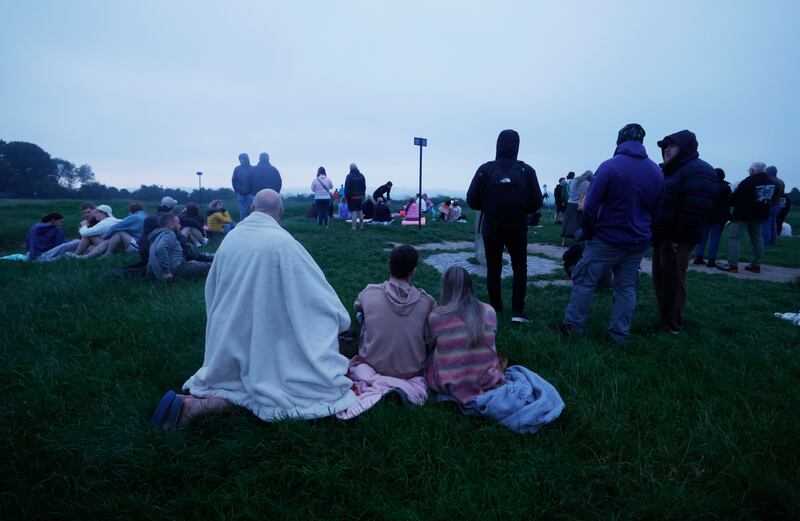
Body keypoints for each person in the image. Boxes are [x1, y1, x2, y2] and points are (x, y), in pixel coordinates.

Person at [151, 189, 357, 429]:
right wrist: (339, 318)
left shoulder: (231, 239)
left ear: (252, 208)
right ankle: (198, 407)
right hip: (268, 335)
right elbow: (315, 293)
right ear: (281, 212)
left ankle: (197, 405)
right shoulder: (285, 244)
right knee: (276, 379)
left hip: (230, 334)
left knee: (239, 380)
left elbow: (213, 288)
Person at [426, 267, 564, 434]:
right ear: (470, 287)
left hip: (449, 383)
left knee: (432, 357)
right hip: (487, 381)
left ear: (444, 289)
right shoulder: (489, 311)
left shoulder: (435, 317)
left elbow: (432, 345)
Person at [558, 124, 663, 343]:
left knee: (584, 281)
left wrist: (589, 230)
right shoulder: (656, 171)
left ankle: (573, 327)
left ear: (620, 140)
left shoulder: (609, 167)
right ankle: (620, 334)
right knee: (626, 288)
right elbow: (658, 210)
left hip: (606, 239)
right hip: (637, 242)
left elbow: (590, 205)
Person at [466, 129, 542, 323]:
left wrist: (488, 207)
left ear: (498, 145)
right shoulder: (526, 170)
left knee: (494, 267)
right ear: (517, 146)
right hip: (518, 227)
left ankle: (495, 308)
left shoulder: (486, 169)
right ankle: (518, 311)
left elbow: (472, 200)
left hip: (492, 227)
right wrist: (522, 210)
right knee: (519, 267)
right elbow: (537, 201)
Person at [651, 130, 716, 334]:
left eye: (672, 145)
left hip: (677, 238)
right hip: (663, 235)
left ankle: (673, 325)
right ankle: (665, 320)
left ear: (685, 147)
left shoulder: (699, 170)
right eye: (664, 146)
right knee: (661, 279)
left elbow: (696, 208)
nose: (666, 150)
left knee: (673, 281)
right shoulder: (671, 171)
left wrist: (679, 238)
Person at [353, 245, 435, 378]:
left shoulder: (369, 292)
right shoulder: (427, 302)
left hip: (372, 364)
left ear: (389, 264)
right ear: (413, 271)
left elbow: (357, 307)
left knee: (362, 313)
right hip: (411, 370)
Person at [719, 162, 777, 273]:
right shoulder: (770, 182)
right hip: (760, 215)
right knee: (757, 239)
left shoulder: (748, 181)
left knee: (734, 238)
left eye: (749, 170)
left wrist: (727, 201)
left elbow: (735, 198)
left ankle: (732, 265)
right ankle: (756, 264)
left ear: (752, 170)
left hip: (742, 215)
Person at [146, 213, 211, 282]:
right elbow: (160, 249)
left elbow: (151, 258)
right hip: (177, 270)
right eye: (178, 223)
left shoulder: (156, 237)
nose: (180, 225)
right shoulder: (169, 234)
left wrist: (150, 273)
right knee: (210, 266)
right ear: (171, 224)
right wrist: (167, 272)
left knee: (195, 263)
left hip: (165, 273)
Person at [693, 168, 731, 268]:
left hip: (706, 214)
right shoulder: (726, 187)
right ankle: (711, 260)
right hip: (719, 216)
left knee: (703, 237)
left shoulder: (707, 185)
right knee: (715, 238)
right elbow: (728, 202)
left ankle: (698, 257)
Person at [82, 202, 148, 258]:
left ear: (130, 212)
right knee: (101, 244)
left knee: (119, 233)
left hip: (138, 246)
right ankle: (85, 256)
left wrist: (106, 236)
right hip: (145, 245)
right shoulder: (146, 216)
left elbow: (116, 227)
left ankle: (108, 253)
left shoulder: (134, 217)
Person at [560, 170, 592, 245]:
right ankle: (576, 241)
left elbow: (568, 191)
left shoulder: (571, 181)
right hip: (579, 205)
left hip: (570, 203)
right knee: (577, 223)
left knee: (567, 221)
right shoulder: (588, 184)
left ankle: (563, 241)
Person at [762, 166, 784, 246]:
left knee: (766, 225)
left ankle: (766, 242)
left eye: (766, 170)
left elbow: (766, 194)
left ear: (769, 171)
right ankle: (773, 241)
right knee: (773, 224)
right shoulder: (781, 181)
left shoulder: (770, 181)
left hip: (769, 205)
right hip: (777, 205)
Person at [344, 163, 366, 230]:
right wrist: (362, 194)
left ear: (350, 168)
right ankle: (362, 226)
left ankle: (354, 227)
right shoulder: (362, 175)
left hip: (352, 197)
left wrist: (346, 196)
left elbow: (347, 187)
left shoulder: (349, 176)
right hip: (360, 196)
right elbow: (364, 186)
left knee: (353, 212)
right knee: (360, 211)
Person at [231, 153, 253, 220]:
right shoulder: (237, 169)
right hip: (240, 193)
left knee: (251, 210)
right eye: (240, 159)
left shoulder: (252, 168)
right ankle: (243, 223)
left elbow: (255, 180)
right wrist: (236, 189)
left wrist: (253, 190)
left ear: (246, 159)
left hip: (250, 193)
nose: (241, 160)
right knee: (242, 211)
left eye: (242, 159)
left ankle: (252, 222)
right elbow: (234, 180)